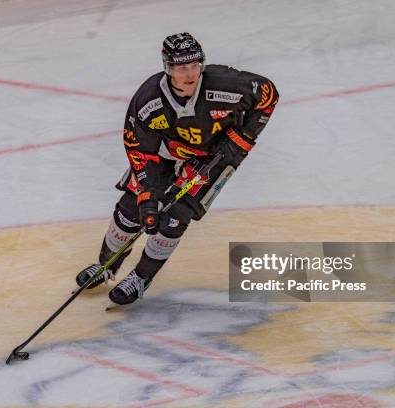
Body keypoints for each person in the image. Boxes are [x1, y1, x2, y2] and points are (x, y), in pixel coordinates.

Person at [76, 32, 279, 306]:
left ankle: (141, 278)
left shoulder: (225, 85)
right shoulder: (149, 100)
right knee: (131, 209)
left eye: (195, 65)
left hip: (212, 159)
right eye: (183, 67)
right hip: (164, 154)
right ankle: (105, 265)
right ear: (168, 68)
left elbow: (268, 94)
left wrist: (239, 141)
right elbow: (138, 148)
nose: (191, 73)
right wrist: (148, 195)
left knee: (175, 217)